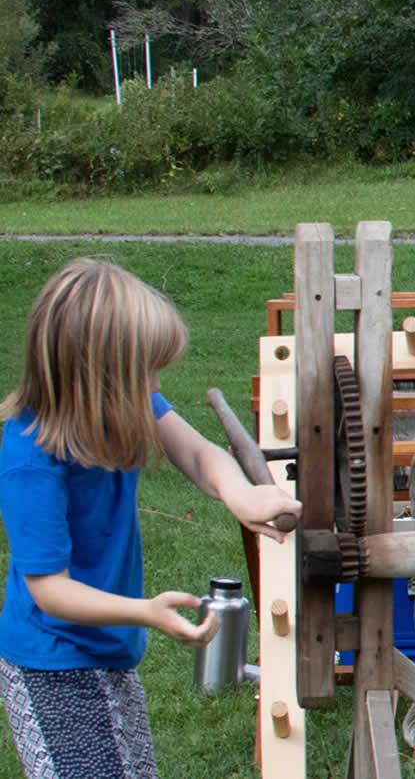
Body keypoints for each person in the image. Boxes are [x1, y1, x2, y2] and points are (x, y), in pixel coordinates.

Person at [0, 258, 302, 779]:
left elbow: (200, 454)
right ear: (96, 376)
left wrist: (241, 495)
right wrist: (146, 611)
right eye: (147, 369)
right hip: (52, 666)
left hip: (107, 651)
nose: (156, 384)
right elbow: (49, 589)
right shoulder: (32, 458)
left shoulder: (128, 402)